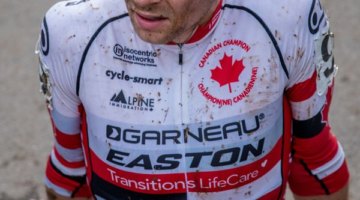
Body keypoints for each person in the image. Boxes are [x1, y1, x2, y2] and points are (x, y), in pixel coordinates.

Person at [36, 0, 350, 199]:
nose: (142, 2)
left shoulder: (287, 16)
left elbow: (315, 161)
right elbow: (69, 172)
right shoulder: (72, 32)